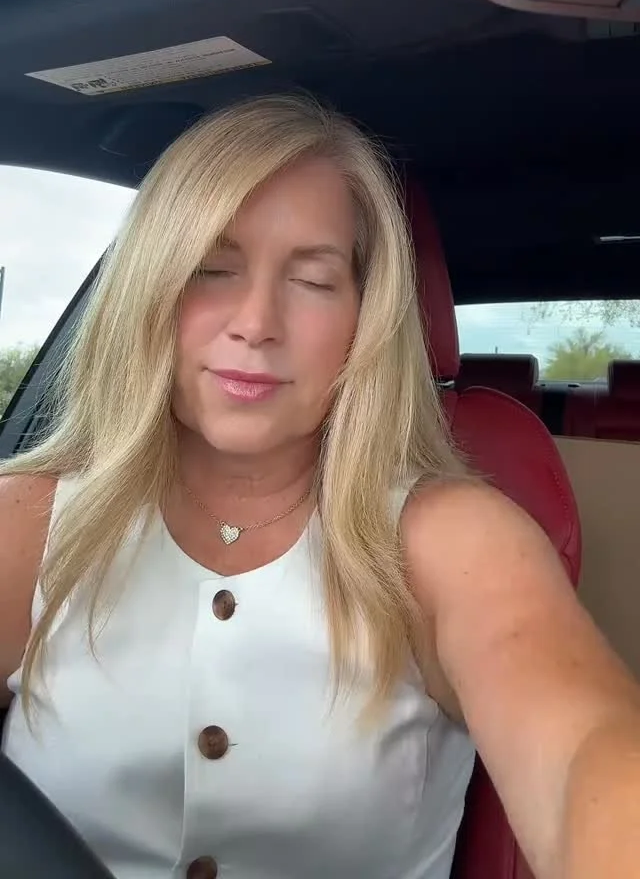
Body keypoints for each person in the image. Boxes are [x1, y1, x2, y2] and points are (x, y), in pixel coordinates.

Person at [0, 94, 639, 879]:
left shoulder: (455, 539)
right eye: (211, 269)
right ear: (148, 289)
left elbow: (583, 754)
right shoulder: (29, 518)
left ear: (366, 320)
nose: (256, 321)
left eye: (312, 279)